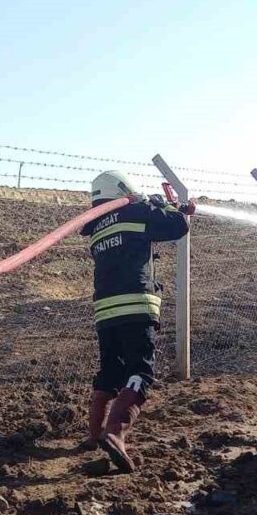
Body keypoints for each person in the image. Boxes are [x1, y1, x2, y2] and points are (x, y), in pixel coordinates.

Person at [80, 170, 192, 473]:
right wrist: (168, 206)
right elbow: (178, 226)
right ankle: (115, 433)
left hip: (105, 311)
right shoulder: (137, 210)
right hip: (135, 306)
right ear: (125, 190)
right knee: (140, 372)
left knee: (111, 371)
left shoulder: (96, 225)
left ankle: (93, 436)